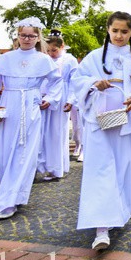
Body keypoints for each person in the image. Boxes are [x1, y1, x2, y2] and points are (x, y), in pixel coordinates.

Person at [72, 11, 131, 250]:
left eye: (124, 32)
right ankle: (101, 228)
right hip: (99, 122)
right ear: (107, 30)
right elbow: (78, 80)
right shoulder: (94, 57)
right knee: (100, 170)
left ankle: (118, 211)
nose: (119, 36)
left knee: (121, 168)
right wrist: (93, 83)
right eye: (115, 30)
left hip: (124, 123)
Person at [0, 18, 61, 220]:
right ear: (18, 36)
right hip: (8, 105)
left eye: (31, 35)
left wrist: (49, 98)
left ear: (37, 37)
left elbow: (56, 83)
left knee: (22, 154)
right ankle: (14, 191)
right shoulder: (6, 58)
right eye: (23, 35)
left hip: (29, 106)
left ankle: (8, 200)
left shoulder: (43, 59)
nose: (27, 39)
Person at [37, 31, 78, 181]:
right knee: (42, 132)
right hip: (45, 95)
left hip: (62, 97)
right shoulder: (45, 59)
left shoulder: (70, 60)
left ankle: (56, 168)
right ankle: (41, 165)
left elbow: (75, 81)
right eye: (48, 50)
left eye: (54, 50)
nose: (51, 54)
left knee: (57, 132)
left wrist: (71, 99)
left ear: (62, 47)